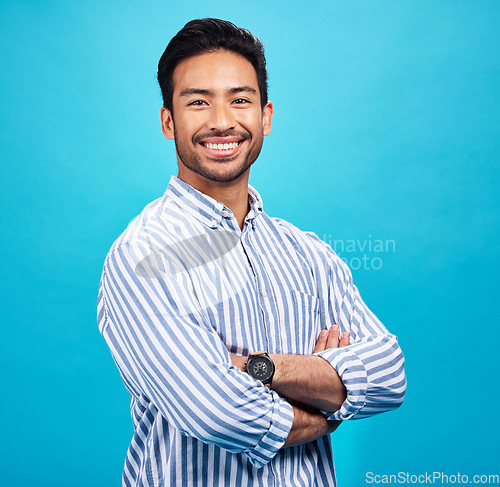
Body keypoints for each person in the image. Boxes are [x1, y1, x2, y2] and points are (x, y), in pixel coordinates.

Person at [97, 18, 406, 487]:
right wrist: (328, 406)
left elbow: (388, 374)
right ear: (168, 121)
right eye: (198, 102)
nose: (222, 121)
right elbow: (219, 412)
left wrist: (261, 368)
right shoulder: (143, 256)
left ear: (265, 116)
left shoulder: (307, 253)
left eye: (240, 100)